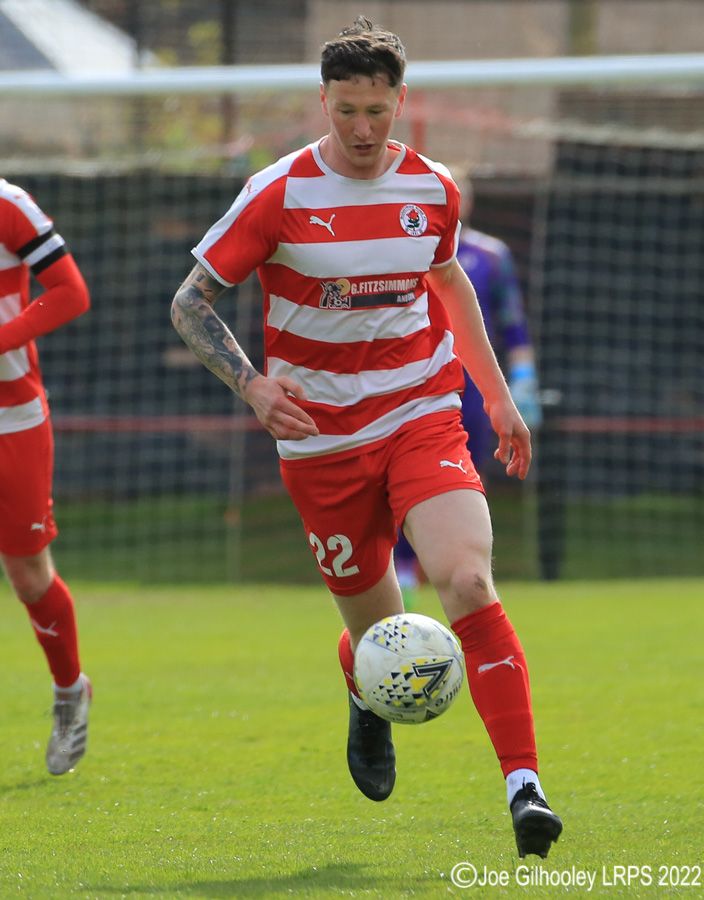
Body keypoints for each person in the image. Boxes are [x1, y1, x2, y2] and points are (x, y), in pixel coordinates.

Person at [171, 17, 562, 858]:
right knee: (381, 637)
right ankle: (363, 688)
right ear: (324, 100)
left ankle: (525, 788)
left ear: (400, 102)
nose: (360, 128)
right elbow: (190, 302)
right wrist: (253, 385)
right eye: (345, 109)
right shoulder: (278, 192)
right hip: (320, 443)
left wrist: (497, 399)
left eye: (376, 111)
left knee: (467, 581)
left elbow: (449, 282)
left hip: (421, 412)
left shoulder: (432, 189)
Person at [394, 170, 542, 595]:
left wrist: (523, 380)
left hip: (473, 386)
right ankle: (403, 568)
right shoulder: (402, 251)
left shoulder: (490, 255)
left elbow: (514, 326)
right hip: (415, 380)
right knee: (404, 473)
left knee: (467, 475)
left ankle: (461, 566)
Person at [0, 178, 92, 775]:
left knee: (29, 575)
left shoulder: (8, 205)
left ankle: (70, 691)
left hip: (13, 419)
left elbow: (71, 293)